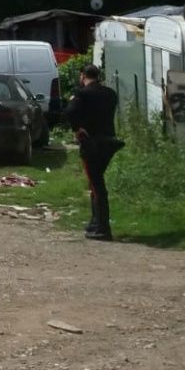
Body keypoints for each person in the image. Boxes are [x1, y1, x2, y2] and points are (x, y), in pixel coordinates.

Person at [64, 64, 122, 240]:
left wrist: (78, 128)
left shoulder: (82, 94)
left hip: (91, 142)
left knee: (96, 185)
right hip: (109, 141)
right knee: (95, 181)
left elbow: (69, 112)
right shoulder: (111, 93)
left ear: (82, 76)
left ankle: (103, 228)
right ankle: (95, 222)